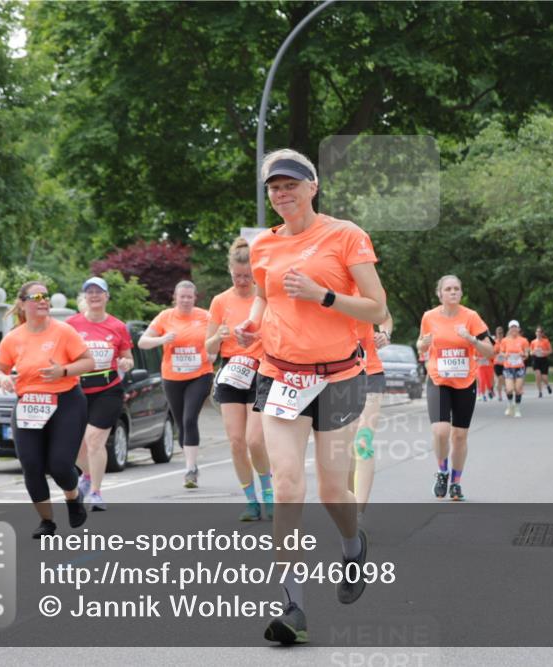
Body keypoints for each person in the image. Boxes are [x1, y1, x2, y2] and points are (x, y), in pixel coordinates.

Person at [233, 149, 387, 645]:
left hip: (339, 376)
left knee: (330, 491)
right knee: (288, 485)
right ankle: (293, 605)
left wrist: (323, 295)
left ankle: (352, 544)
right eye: (274, 187)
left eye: (291, 184)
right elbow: (263, 295)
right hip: (280, 375)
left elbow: (376, 306)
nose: (282, 193)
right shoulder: (263, 247)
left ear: (312, 186)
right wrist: (250, 324)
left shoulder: (345, 235)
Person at [0, 281, 95, 537]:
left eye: (46, 296)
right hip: (28, 406)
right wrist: (2, 379)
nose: (43, 300)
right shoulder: (13, 338)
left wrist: (63, 371)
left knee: (60, 465)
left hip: (66, 401)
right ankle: (47, 522)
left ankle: (73, 497)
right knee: (31, 465)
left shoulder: (63, 331)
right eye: (36, 296)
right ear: (23, 303)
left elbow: (89, 362)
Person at [206, 237, 273, 522]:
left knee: (255, 440)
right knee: (236, 441)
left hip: (260, 369)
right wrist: (217, 337)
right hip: (232, 371)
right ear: (229, 271)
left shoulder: (264, 297)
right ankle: (251, 501)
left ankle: (269, 494)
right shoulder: (221, 301)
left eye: (247, 276)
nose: (243, 281)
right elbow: (208, 349)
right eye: (237, 276)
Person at [417, 275, 493, 501]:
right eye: (448, 289)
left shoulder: (471, 317)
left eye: (456, 289)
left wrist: (472, 339)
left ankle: (456, 482)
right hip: (438, 379)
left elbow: (489, 351)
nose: (452, 292)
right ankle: (442, 472)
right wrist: (424, 343)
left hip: (465, 381)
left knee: (459, 436)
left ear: (461, 293)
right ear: (439, 293)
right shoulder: (429, 317)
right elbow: (420, 344)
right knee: (441, 431)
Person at [66, 277, 134, 511]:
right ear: (85, 297)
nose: (94, 295)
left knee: (94, 439)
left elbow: (128, 358)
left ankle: (95, 492)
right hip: (77, 390)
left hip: (108, 390)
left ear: (106, 296)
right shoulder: (71, 325)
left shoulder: (117, 326)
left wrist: (125, 363)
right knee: (73, 444)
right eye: (90, 292)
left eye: (99, 292)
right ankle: (86, 474)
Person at [139, 280, 213, 489]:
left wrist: (213, 352)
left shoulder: (205, 316)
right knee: (181, 424)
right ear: (175, 297)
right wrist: (161, 340)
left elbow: (217, 339)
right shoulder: (165, 317)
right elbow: (142, 342)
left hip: (200, 374)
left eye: (190, 297)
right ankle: (193, 463)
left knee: (190, 419)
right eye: (182, 297)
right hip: (173, 377)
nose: (186, 300)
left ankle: (189, 470)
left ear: (195, 298)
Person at [349, 310, 393, 517]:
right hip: (334, 377)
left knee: (362, 442)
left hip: (370, 373)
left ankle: (357, 515)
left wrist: (385, 333)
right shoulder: (323, 283)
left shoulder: (366, 285)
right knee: (343, 448)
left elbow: (385, 316)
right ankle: (347, 505)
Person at [498, 320, 530, 417]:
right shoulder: (505, 340)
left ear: (518, 328)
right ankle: (509, 405)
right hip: (508, 367)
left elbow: (527, 354)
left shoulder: (523, 340)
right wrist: (505, 355)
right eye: (512, 327)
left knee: (518, 389)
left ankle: (517, 409)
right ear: (509, 329)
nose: (514, 329)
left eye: (515, 327)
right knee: (509, 389)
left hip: (519, 367)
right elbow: (501, 352)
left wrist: (523, 354)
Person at [531, 326, 553, 398]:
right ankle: (540, 392)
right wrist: (534, 352)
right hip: (536, 359)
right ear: (535, 333)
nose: (538, 333)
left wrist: (544, 352)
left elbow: (551, 351)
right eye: (537, 332)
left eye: (540, 332)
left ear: (542, 333)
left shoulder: (546, 341)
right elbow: (530, 352)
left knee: (544, 378)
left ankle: (547, 385)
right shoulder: (533, 342)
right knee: (537, 376)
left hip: (543, 360)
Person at [491, 325, 505, 401]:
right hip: (497, 363)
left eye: (501, 333)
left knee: (501, 380)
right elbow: (491, 352)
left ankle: (496, 389)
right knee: (499, 378)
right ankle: (500, 396)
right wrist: (496, 354)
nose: (500, 334)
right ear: (496, 333)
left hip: (505, 363)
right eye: (498, 333)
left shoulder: (506, 341)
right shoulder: (494, 342)